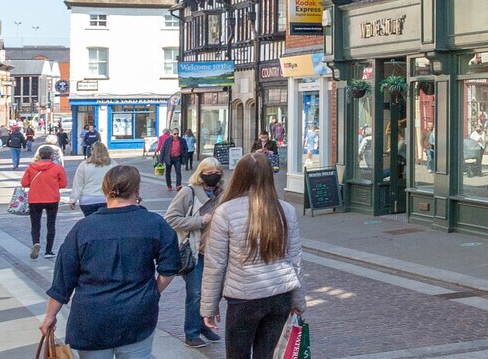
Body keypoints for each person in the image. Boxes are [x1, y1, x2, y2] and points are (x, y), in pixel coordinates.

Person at [41, 164, 182, 359]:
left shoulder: (83, 228)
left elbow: (63, 280)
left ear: (104, 190)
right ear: (137, 190)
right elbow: (170, 267)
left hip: (91, 319)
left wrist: (50, 316)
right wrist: (153, 292)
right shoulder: (154, 224)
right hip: (137, 315)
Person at [201, 152, 304, 359]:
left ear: (239, 176)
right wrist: (298, 301)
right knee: (267, 355)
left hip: (244, 298)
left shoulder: (225, 212)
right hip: (280, 296)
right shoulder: (286, 210)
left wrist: (208, 307)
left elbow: (216, 264)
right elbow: (295, 259)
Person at [165, 158, 225, 348]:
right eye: (209, 172)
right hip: (193, 250)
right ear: (201, 173)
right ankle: (191, 333)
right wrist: (199, 220)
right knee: (196, 292)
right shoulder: (188, 192)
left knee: (210, 292)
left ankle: (203, 325)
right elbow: (170, 219)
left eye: (217, 172)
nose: (213, 175)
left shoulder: (221, 193)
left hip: (214, 251)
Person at [21, 144, 68, 259]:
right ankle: (48, 250)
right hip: (52, 198)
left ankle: (36, 243)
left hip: (35, 199)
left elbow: (24, 183)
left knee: (35, 224)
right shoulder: (57, 168)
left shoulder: (31, 167)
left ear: (40, 155)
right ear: (51, 156)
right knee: (51, 224)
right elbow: (63, 184)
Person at [75, 141, 114, 218]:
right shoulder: (112, 164)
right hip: (105, 198)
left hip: (87, 199)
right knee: (105, 222)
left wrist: (73, 199)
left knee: (90, 221)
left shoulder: (84, 165)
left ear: (92, 151)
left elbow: (78, 184)